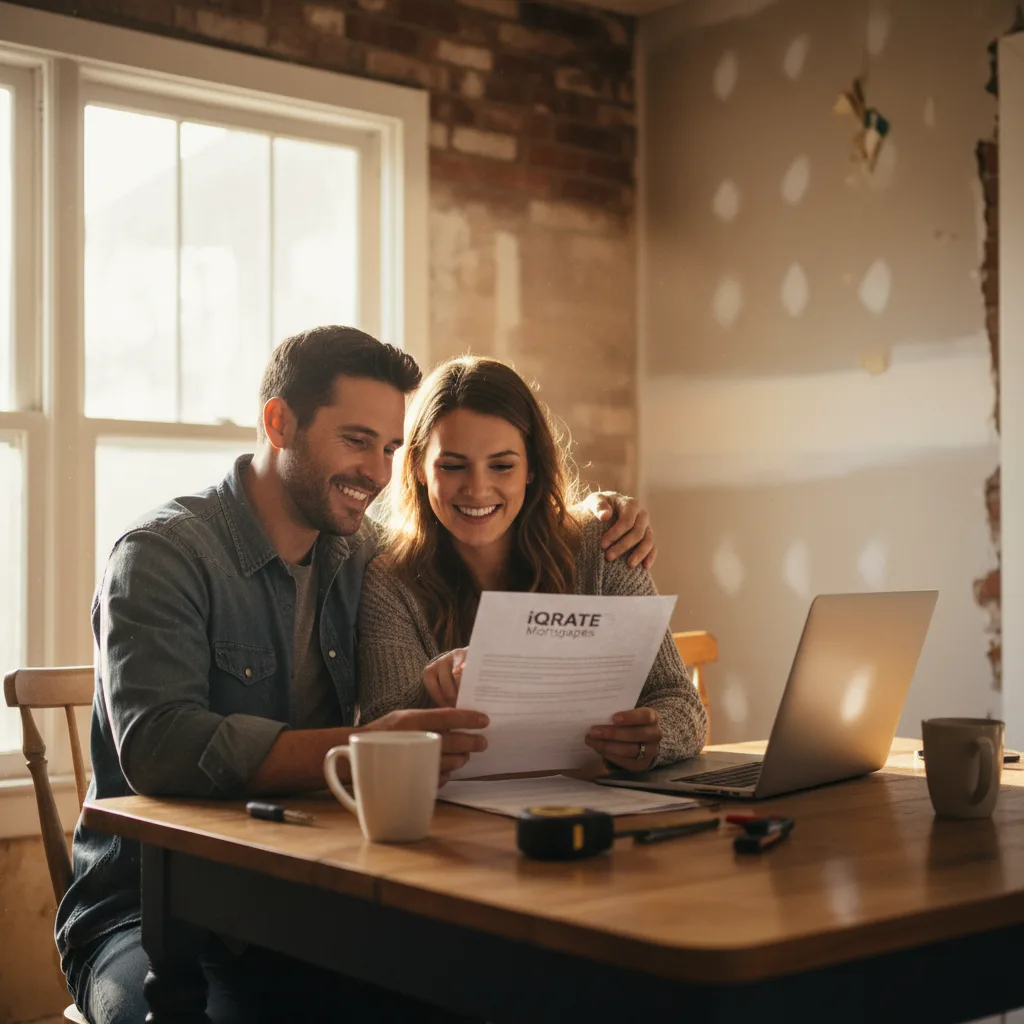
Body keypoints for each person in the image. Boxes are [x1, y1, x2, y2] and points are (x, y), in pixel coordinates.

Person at [57, 327, 658, 1024]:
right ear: (279, 422)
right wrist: (366, 743)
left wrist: (599, 515)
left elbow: (474, 532)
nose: (377, 471)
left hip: (302, 900)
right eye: (355, 440)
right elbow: (160, 747)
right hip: (151, 914)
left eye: (391, 448)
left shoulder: (363, 555)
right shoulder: (161, 556)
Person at [358, 356, 706, 772]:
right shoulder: (390, 581)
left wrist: (653, 738)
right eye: (452, 466)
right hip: (459, 819)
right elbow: (384, 730)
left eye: (502, 465)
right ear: (417, 467)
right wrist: (436, 695)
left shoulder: (603, 546)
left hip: (599, 807)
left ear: (531, 469)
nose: (477, 488)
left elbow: (680, 703)